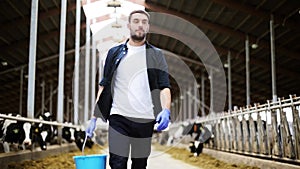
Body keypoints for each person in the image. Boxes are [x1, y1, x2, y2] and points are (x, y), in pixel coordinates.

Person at [85, 9, 171, 169]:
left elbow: (164, 86)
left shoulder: (156, 55)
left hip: (145, 118)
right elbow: (103, 86)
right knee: (117, 164)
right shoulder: (114, 53)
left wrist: (166, 110)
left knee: (140, 164)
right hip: (118, 117)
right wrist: (94, 118)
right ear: (129, 25)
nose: (140, 25)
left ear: (148, 27)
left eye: (144, 22)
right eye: (136, 21)